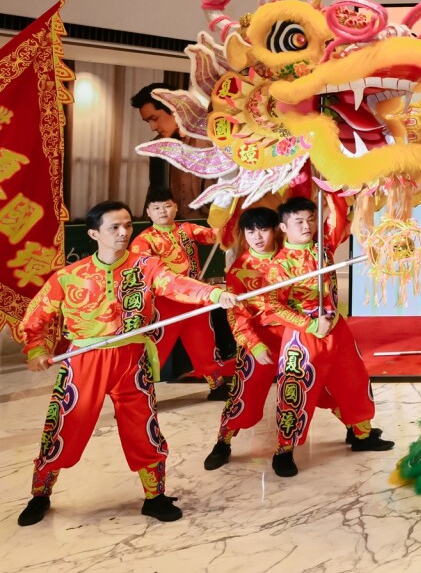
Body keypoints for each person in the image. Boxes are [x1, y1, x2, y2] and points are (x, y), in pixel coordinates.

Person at [15, 199, 238, 526]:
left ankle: (155, 497)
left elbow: (174, 284)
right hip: (84, 363)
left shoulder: (146, 265)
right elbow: (36, 319)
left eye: (127, 226)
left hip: (132, 361)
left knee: (143, 428)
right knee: (66, 426)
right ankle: (40, 494)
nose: (122, 233)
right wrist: (36, 350)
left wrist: (214, 295)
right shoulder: (69, 276)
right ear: (93, 233)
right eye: (114, 228)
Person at [261, 196, 394, 477]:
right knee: (294, 391)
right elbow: (272, 307)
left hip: (336, 328)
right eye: (298, 221)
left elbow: (339, 218)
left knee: (354, 381)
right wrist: (309, 326)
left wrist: (334, 189)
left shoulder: (323, 248)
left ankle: (361, 434)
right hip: (303, 335)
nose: (307, 225)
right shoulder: (278, 266)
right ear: (283, 228)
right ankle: (283, 451)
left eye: (310, 219)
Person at [130, 186, 232, 395]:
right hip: (164, 304)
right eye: (156, 207)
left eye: (167, 206)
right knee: (156, 348)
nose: (162, 211)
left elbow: (212, 236)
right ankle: (135, 393)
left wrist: (229, 218)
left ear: (175, 207)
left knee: (204, 342)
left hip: (195, 300)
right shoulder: (143, 241)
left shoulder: (186, 229)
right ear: (148, 212)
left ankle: (217, 385)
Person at [204, 205, 282, 471]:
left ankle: (357, 430)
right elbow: (237, 315)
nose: (258, 236)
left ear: (276, 230)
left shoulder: (291, 259)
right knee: (243, 395)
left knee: (318, 386)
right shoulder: (239, 269)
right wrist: (254, 345)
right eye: (251, 231)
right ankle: (223, 442)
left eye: (264, 229)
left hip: (295, 335)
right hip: (258, 339)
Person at [130, 83, 207, 216]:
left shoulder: (209, 142)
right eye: (148, 121)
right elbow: (154, 194)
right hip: (172, 230)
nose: (153, 127)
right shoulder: (157, 147)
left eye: (154, 119)